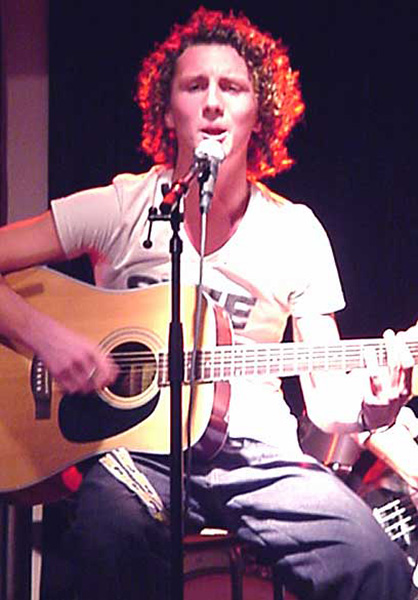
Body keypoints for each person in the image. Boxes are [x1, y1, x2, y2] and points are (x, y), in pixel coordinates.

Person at [0, 7, 415, 600]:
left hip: (261, 460)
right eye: (195, 86)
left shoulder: (295, 231)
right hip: (138, 455)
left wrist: (375, 408)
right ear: (168, 110)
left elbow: (327, 406)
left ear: (259, 111)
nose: (214, 103)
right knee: (101, 543)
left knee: (375, 563)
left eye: (232, 87)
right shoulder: (121, 207)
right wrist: (45, 337)